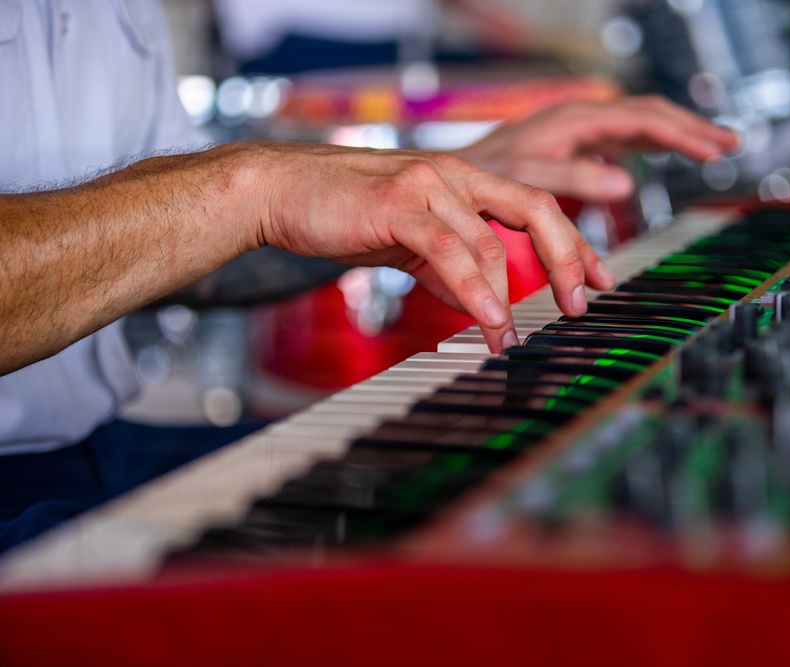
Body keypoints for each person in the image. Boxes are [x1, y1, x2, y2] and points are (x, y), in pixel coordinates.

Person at [0, 0, 737, 551]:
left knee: (535, 483)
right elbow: (215, 210)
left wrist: (451, 178)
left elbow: (163, 251)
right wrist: (247, 189)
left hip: (102, 448)